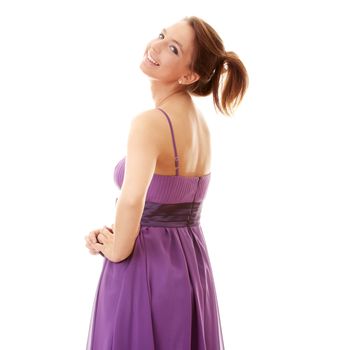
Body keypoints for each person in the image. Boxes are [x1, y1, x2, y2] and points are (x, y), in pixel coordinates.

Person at [84, 15, 248, 350]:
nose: (155, 46)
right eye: (161, 35)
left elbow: (133, 201)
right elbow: (168, 203)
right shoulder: (199, 125)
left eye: (172, 48)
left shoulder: (150, 123)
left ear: (189, 75)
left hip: (146, 270)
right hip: (191, 265)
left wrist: (115, 247)